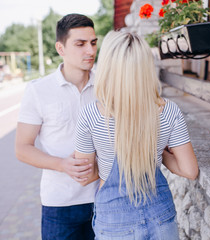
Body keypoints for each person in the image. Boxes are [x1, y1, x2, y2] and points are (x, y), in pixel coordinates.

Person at [75, 30, 199, 239]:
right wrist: (159, 154)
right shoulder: (168, 111)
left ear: (107, 67)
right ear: (145, 68)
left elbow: (84, 176)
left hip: (114, 222)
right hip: (160, 217)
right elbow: (190, 170)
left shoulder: (91, 115)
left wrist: (104, 161)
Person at [15, 14, 99, 240]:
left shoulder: (108, 84)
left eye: (93, 42)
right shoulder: (38, 90)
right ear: (60, 48)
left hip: (105, 198)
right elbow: (22, 148)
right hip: (59, 204)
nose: (90, 51)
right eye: (80, 44)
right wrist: (62, 164)